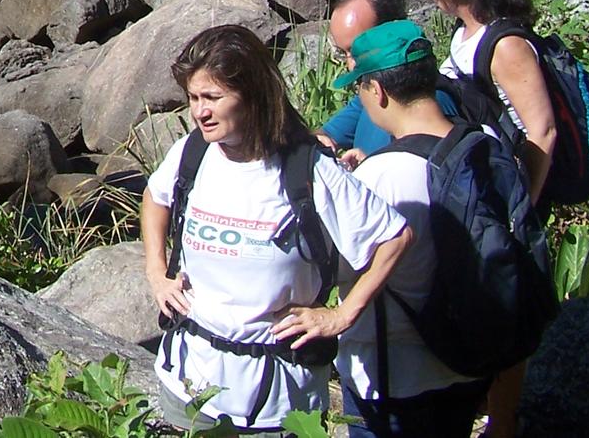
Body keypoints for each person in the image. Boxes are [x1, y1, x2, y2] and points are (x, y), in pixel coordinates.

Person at [142, 24, 411, 432]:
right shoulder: (192, 153)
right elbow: (155, 197)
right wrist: (155, 272)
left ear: (251, 97)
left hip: (279, 402)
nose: (200, 112)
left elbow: (394, 236)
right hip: (187, 383)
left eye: (213, 97)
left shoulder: (306, 170)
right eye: (194, 98)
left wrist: (341, 315)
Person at [419, 0, 559, 438]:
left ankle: (504, 423)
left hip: (515, 190)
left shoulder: (506, 44)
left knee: (511, 311)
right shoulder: (467, 36)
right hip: (490, 181)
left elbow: (541, 130)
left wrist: (525, 207)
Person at [331, 19, 491, 438]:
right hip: (467, 354)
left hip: (393, 373)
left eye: (359, 88)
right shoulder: (485, 144)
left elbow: (342, 267)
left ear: (377, 91)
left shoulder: (381, 175)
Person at [419, 0, 558, 207]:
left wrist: (522, 210)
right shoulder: (464, 32)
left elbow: (543, 131)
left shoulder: (506, 45)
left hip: (524, 177)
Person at [317, 0, 458, 169]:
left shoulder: (429, 104)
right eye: (344, 53)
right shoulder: (368, 97)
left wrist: (373, 171)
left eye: (358, 49)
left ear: (390, 32)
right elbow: (326, 134)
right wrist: (320, 139)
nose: (351, 65)